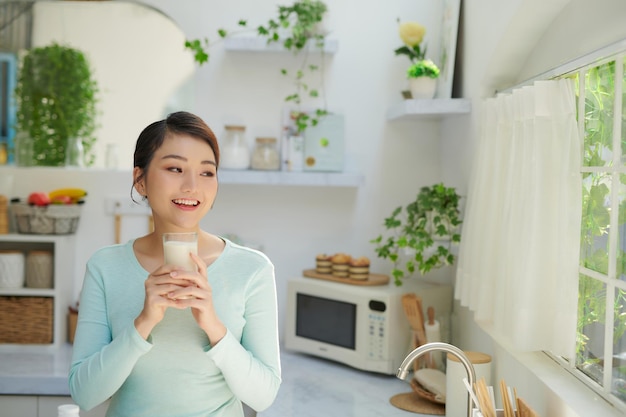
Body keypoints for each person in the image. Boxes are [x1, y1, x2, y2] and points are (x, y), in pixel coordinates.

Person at [69, 111, 281, 417]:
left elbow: (263, 397)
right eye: (175, 168)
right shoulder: (105, 266)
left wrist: (213, 325)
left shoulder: (252, 269)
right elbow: (84, 394)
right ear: (139, 180)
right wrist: (144, 322)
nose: (192, 185)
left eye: (207, 172)